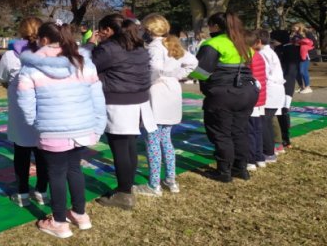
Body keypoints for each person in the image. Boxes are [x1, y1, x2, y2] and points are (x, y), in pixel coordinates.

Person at [17, 21, 106, 239]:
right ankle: (80, 213)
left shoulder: (30, 68)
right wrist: (97, 123)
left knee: (56, 173)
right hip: (82, 128)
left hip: (51, 129)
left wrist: (35, 123)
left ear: (44, 40)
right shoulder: (83, 63)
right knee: (74, 169)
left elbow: (25, 102)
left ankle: (58, 221)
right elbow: (98, 98)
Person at [88, 14, 155, 210]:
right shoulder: (138, 46)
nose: (99, 33)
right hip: (138, 101)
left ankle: (124, 193)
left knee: (120, 149)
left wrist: (91, 46)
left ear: (108, 30)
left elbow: (88, 66)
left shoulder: (109, 48)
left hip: (119, 103)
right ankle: (126, 188)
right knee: (129, 146)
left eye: (101, 30)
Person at [190, 12, 259, 183]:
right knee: (240, 131)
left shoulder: (213, 43)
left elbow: (201, 72)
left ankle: (223, 171)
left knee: (221, 133)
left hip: (223, 94)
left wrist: (186, 71)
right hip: (247, 92)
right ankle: (240, 168)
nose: (208, 29)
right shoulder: (243, 44)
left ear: (216, 26)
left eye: (210, 25)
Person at [134, 14, 197, 196]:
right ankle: (171, 179)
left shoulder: (154, 47)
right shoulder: (172, 44)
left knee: (152, 137)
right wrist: (176, 75)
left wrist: (150, 81)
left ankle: (154, 184)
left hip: (158, 92)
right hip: (172, 91)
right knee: (166, 139)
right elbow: (192, 62)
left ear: (148, 30)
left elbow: (154, 68)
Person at [0, 17, 49, 207]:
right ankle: (42, 190)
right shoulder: (51, 55)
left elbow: (0, 76)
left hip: (20, 110)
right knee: (43, 152)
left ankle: (22, 193)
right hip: (44, 108)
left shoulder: (10, 56)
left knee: (22, 152)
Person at [258, 30, 286, 163]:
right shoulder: (269, 52)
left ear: (258, 42)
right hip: (275, 89)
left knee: (264, 121)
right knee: (268, 120)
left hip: (270, 90)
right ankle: (273, 148)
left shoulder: (263, 54)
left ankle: (269, 152)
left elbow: (263, 74)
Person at [271, 29, 299, 150]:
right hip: (280, 85)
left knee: (283, 111)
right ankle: (281, 138)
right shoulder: (279, 49)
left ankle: (285, 139)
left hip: (285, 86)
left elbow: (290, 71)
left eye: (273, 40)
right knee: (279, 111)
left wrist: (282, 84)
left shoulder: (289, 49)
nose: (272, 43)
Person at [244, 30, 267, 172]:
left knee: (250, 130)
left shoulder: (248, 56)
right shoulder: (258, 55)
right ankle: (260, 157)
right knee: (257, 129)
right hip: (260, 97)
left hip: (252, 98)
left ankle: (251, 159)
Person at [291, 22, 314, 93]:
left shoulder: (307, 33)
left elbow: (313, 43)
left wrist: (305, 47)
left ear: (299, 26)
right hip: (297, 54)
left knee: (302, 71)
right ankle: (302, 87)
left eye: (295, 27)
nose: (293, 28)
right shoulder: (295, 34)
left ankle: (308, 87)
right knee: (297, 72)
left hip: (305, 55)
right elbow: (293, 43)